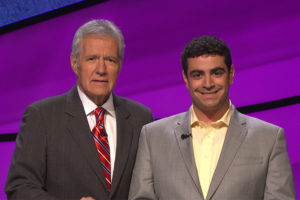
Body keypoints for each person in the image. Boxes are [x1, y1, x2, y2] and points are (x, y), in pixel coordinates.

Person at [129, 35, 296, 200]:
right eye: (197, 75)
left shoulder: (269, 138)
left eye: (216, 73)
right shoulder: (153, 137)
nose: (208, 83)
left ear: (231, 74)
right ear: (186, 79)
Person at [5, 19, 153, 200]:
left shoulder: (141, 117)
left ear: (120, 65)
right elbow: (19, 187)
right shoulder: (42, 116)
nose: (101, 69)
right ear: (75, 63)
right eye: (92, 59)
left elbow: (150, 188)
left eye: (110, 60)